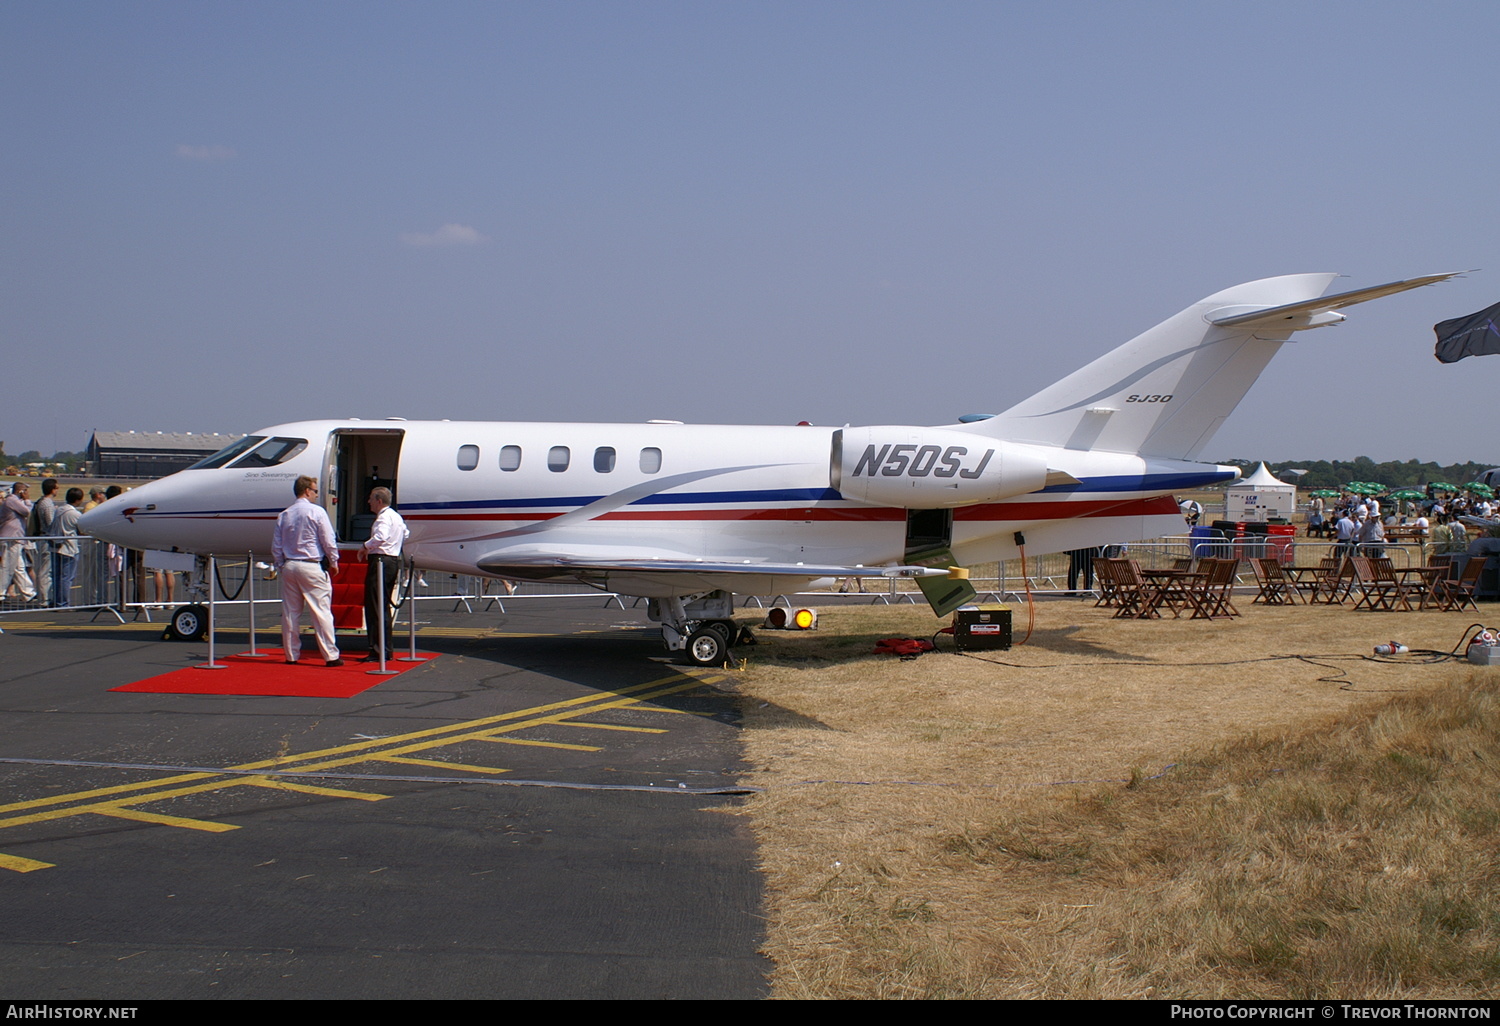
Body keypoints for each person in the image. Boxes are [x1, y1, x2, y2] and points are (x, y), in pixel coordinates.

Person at [271, 475, 341, 666]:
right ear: (307, 491)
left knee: (291, 613)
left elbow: (276, 545)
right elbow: (328, 540)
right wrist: (334, 561)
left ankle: (291, 655)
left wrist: (280, 564)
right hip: (310, 564)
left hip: (290, 564)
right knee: (321, 612)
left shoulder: (285, 514)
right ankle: (330, 655)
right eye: (315, 491)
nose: (316, 495)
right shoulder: (317, 512)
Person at [361, 486, 407, 662]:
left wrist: (365, 546)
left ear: (379, 501)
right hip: (392, 560)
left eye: (371, 498)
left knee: (375, 607)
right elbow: (406, 533)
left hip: (380, 561)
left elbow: (381, 536)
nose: (369, 502)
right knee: (383, 607)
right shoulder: (396, 516)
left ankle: (377, 649)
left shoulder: (383, 518)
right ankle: (386, 648)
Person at [1, 482, 37, 603]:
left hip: (16, 537)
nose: (27, 493)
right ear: (20, 491)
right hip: (11, 537)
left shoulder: (13, 501)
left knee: (18, 567)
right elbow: (27, 512)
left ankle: (28, 592)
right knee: (7, 566)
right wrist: (27, 500)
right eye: (25, 491)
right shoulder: (12, 500)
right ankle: (0, 593)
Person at [48, 488, 83, 607]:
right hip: (68, 548)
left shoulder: (58, 510)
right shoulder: (74, 514)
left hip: (55, 545)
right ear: (78, 500)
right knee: (66, 577)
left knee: (57, 576)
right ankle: (62, 602)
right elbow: (81, 529)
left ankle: (56, 600)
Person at [28, 478, 57, 606]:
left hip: (42, 537)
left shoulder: (40, 502)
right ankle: (44, 598)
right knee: (45, 570)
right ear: (52, 489)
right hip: (46, 537)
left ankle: (43, 596)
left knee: (43, 569)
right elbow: (50, 521)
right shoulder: (47, 503)